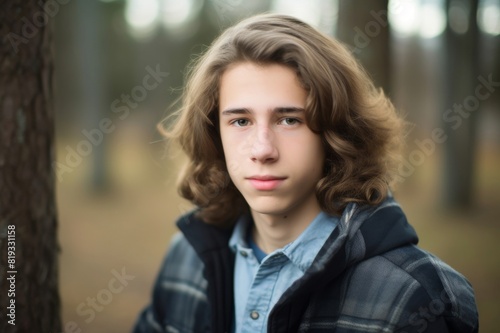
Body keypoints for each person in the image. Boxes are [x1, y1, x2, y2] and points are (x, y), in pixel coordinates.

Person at [133, 13, 478, 333]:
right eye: (241, 121)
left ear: (335, 134)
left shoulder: (414, 294)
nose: (262, 149)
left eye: (289, 120)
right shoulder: (185, 259)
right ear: (213, 133)